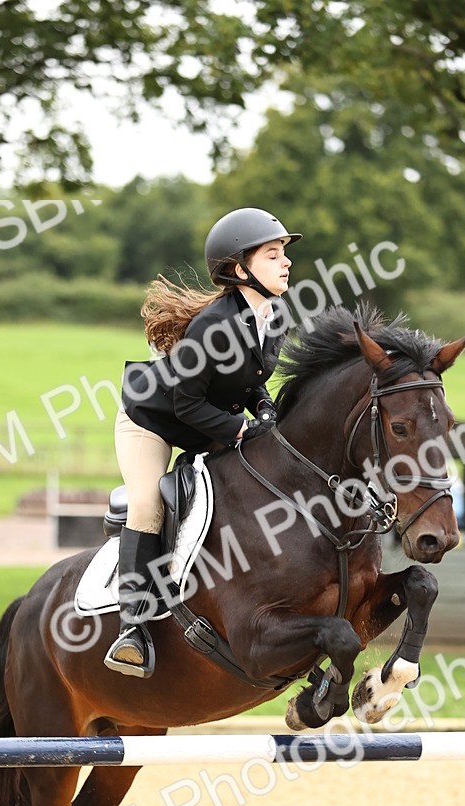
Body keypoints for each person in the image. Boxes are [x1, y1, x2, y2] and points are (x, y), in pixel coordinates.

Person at [103, 207, 302, 679]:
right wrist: (240, 430)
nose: (286, 262)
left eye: (283, 253)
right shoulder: (212, 326)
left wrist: (263, 407)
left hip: (206, 423)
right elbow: (186, 403)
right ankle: (132, 629)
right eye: (272, 255)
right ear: (240, 270)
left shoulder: (274, 316)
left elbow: (248, 378)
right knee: (148, 503)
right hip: (152, 422)